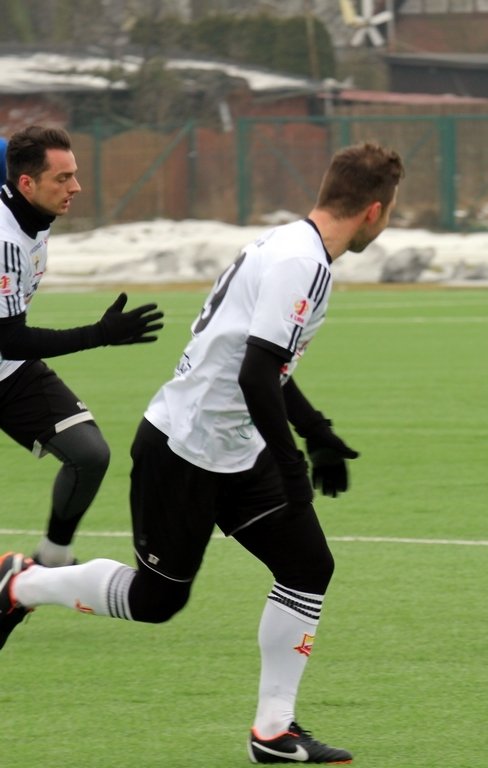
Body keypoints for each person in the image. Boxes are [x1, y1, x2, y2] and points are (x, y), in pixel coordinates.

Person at [1, 141, 406, 764]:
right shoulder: (302, 262)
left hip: (234, 449)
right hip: (183, 449)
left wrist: (317, 431)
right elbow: (255, 372)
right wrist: (294, 465)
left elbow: (263, 364)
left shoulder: (289, 243)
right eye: (391, 212)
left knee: (307, 568)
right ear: (374, 211)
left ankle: (273, 732)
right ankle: (23, 583)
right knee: (155, 601)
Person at [0, 125, 164, 568]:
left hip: (7, 371)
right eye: (63, 178)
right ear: (27, 183)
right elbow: (10, 339)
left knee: (89, 455)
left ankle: (53, 557)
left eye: (74, 174)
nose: (76, 187)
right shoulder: (5, 241)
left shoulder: (31, 214)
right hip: (8, 352)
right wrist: (99, 334)